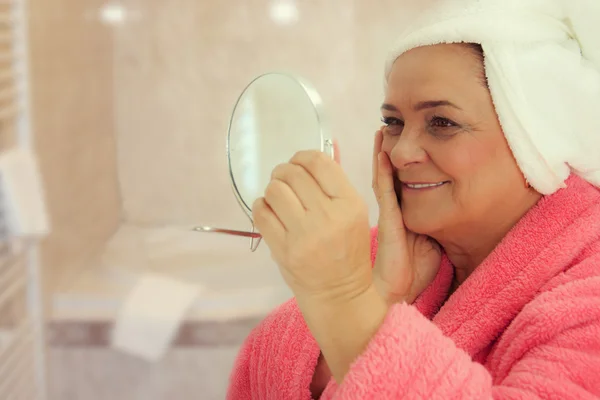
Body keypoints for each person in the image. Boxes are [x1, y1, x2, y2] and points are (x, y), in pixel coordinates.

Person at [227, 0, 600, 398]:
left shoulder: (589, 295)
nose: (401, 152)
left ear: (535, 139)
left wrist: (344, 295)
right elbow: (271, 367)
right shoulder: (383, 262)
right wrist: (381, 294)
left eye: (442, 123)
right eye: (393, 122)